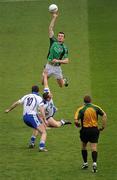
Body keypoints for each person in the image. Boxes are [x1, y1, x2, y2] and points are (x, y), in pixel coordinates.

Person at [5, 85, 48, 152]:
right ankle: (41, 147)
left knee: (36, 127)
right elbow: (42, 109)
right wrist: (45, 119)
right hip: (32, 117)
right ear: (38, 91)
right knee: (44, 132)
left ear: (32, 90)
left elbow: (17, 103)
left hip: (25, 118)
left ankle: (32, 143)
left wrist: (9, 109)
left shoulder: (26, 96)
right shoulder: (39, 98)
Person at [74, 95, 107, 173]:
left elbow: (76, 120)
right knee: (94, 147)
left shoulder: (81, 109)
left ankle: (85, 163)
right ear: (91, 100)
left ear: (84, 101)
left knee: (83, 146)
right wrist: (103, 126)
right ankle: (94, 163)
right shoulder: (96, 107)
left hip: (85, 130)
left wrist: (77, 125)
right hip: (94, 130)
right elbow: (104, 115)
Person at [42, 12, 69, 88]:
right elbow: (50, 28)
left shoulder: (65, 48)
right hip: (49, 65)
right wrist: (54, 17)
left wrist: (58, 61)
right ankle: (44, 69)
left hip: (57, 68)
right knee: (42, 82)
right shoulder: (53, 41)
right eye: (59, 36)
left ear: (64, 38)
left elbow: (67, 61)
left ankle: (64, 80)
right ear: (57, 37)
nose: (60, 37)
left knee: (61, 86)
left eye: (62, 36)